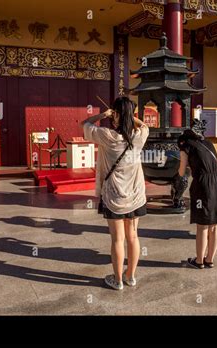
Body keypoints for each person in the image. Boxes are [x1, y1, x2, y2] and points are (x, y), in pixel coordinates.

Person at [81, 97, 149, 290]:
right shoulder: (139, 136)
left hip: (114, 196)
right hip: (135, 195)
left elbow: (84, 124)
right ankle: (131, 276)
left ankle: (118, 280)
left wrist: (104, 114)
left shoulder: (106, 135)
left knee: (117, 239)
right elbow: (143, 125)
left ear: (116, 115)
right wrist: (129, 116)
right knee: (133, 237)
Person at [177, 119, 217, 269]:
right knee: (214, 226)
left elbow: (182, 172)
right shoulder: (209, 143)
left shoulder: (186, 145)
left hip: (203, 185)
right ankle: (209, 259)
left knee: (202, 225)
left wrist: (185, 168)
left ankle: (199, 261)